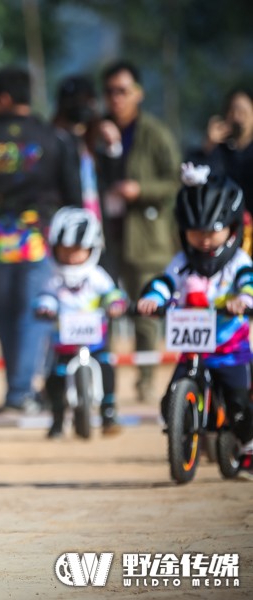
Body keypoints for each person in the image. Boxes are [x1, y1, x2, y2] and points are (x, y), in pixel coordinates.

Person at [0, 65, 82, 414]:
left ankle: (16, 390)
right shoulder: (54, 139)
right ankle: (21, 392)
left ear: (1, 98)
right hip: (37, 240)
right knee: (34, 313)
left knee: (5, 316)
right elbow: (73, 196)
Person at [135, 165, 253, 480]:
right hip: (192, 349)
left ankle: (248, 448)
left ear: (231, 228)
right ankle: (185, 431)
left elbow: (248, 282)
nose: (203, 239)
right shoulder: (183, 263)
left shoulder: (239, 262)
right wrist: (154, 299)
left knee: (241, 407)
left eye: (212, 230)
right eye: (196, 231)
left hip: (229, 349)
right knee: (168, 401)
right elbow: (165, 282)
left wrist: (244, 298)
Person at [96, 60, 181, 402]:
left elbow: (176, 180)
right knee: (103, 308)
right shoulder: (98, 131)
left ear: (138, 94)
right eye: (110, 92)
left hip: (147, 239)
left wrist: (140, 189)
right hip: (104, 237)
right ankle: (104, 383)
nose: (116, 98)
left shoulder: (155, 133)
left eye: (123, 91)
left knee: (145, 313)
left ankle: (146, 381)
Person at [34, 207, 128, 438]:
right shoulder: (53, 276)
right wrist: (45, 307)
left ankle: (108, 413)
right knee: (53, 377)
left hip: (95, 341)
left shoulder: (96, 275)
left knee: (106, 366)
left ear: (92, 249)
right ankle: (57, 419)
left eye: (78, 251)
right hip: (62, 343)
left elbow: (111, 293)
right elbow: (45, 295)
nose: (71, 257)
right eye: (65, 251)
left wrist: (115, 304)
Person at [186, 88, 253, 254]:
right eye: (233, 111)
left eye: (243, 110)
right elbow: (194, 179)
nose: (238, 116)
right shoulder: (218, 151)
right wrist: (208, 146)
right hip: (223, 235)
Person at [52, 74, 103, 221]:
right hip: (68, 224)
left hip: (95, 221)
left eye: (86, 100)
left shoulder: (96, 141)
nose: (81, 106)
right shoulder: (54, 140)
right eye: (75, 101)